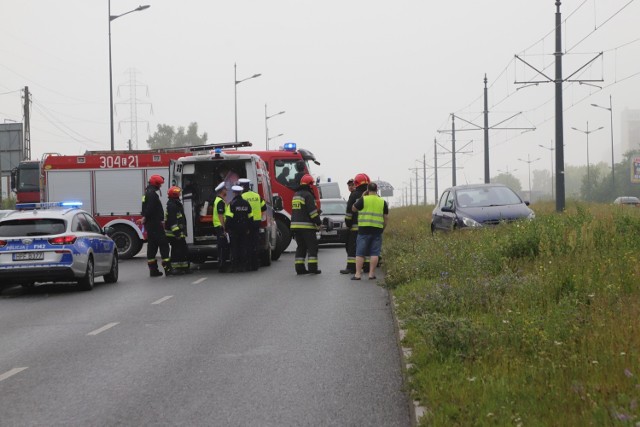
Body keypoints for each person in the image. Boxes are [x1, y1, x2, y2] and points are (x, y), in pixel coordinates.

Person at [350, 182, 388, 280]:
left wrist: (362, 197)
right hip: (377, 230)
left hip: (364, 229)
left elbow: (353, 209)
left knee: (360, 253)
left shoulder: (364, 199)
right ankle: (371, 274)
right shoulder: (382, 201)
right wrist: (382, 228)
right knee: (375, 253)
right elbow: (386, 218)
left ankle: (358, 274)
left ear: (367, 189)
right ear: (377, 190)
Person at [140, 174, 171, 277]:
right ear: (156, 184)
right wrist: (145, 217)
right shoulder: (153, 194)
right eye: (160, 184)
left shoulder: (146, 193)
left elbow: (145, 208)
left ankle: (153, 270)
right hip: (155, 224)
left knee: (152, 247)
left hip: (150, 224)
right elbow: (150, 208)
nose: (160, 187)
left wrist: (144, 217)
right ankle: (168, 268)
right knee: (164, 244)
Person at [290, 173, 322, 275]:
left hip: (295, 226)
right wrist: (318, 222)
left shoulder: (296, 195)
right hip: (307, 227)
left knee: (301, 247)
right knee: (312, 247)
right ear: (309, 184)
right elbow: (312, 213)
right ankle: (313, 268)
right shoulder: (308, 195)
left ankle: (299, 268)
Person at [340, 173, 369, 275]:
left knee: (352, 247)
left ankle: (351, 267)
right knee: (367, 246)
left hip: (356, 227)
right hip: (369, 227)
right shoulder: (372, 195)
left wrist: (348, 224)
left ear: (356, 183)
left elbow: (349, 212)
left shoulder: (354, 195)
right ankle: (367, 266)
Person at [239, 178, 266, 271]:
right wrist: (259, 218)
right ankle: (255, 264)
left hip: (246, 223)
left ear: (242, 187)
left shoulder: (242, 196)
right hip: (256, 223)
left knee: (246, 243)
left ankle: (248, 264)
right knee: (255, 243)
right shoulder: (257, 196)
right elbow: (264, 208)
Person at [225, 185, 252, 273]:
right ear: (240, 193)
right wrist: (248, 228)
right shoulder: (246, 203)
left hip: (234, 230)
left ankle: (234, 266)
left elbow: (229, 218)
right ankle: (243, 266)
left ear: (234, 193)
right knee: (243, 247)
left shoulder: (232, 204)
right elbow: (250, 217)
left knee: (234, 248)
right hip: (244, 229)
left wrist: (226, 228)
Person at [165, 186, 191, 275]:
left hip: (179, 233)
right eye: (179, 193)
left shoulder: (175, 203)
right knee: (176, 251)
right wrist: (177, 233)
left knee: (183, 250)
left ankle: (184, 267)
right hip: (174, 234)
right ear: (175, 194)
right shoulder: (172, 206)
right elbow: (172, 221)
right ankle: (175, 268)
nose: (180, 194)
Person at [213, 182, 230, 273]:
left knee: (222, 246)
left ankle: (222, 264)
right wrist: (224, 228)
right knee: (222, 247)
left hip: (218, 226)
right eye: (225, 189)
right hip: (220, 226)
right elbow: (220, 216)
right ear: (221, 191)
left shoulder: (219, 200)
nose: (226, 191)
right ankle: (222, 266)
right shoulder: (220, 201)